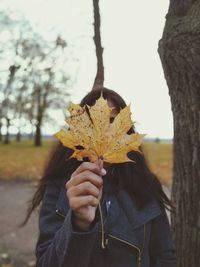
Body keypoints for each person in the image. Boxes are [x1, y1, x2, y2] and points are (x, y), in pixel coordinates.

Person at [24, 87, 176, 267]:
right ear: (77, 133)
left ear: (127, 134)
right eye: (93, 125)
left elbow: (165, 256)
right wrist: (78, 224)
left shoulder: (146, 185)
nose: (104, 133)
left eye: (113, 123)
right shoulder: (59, 187)